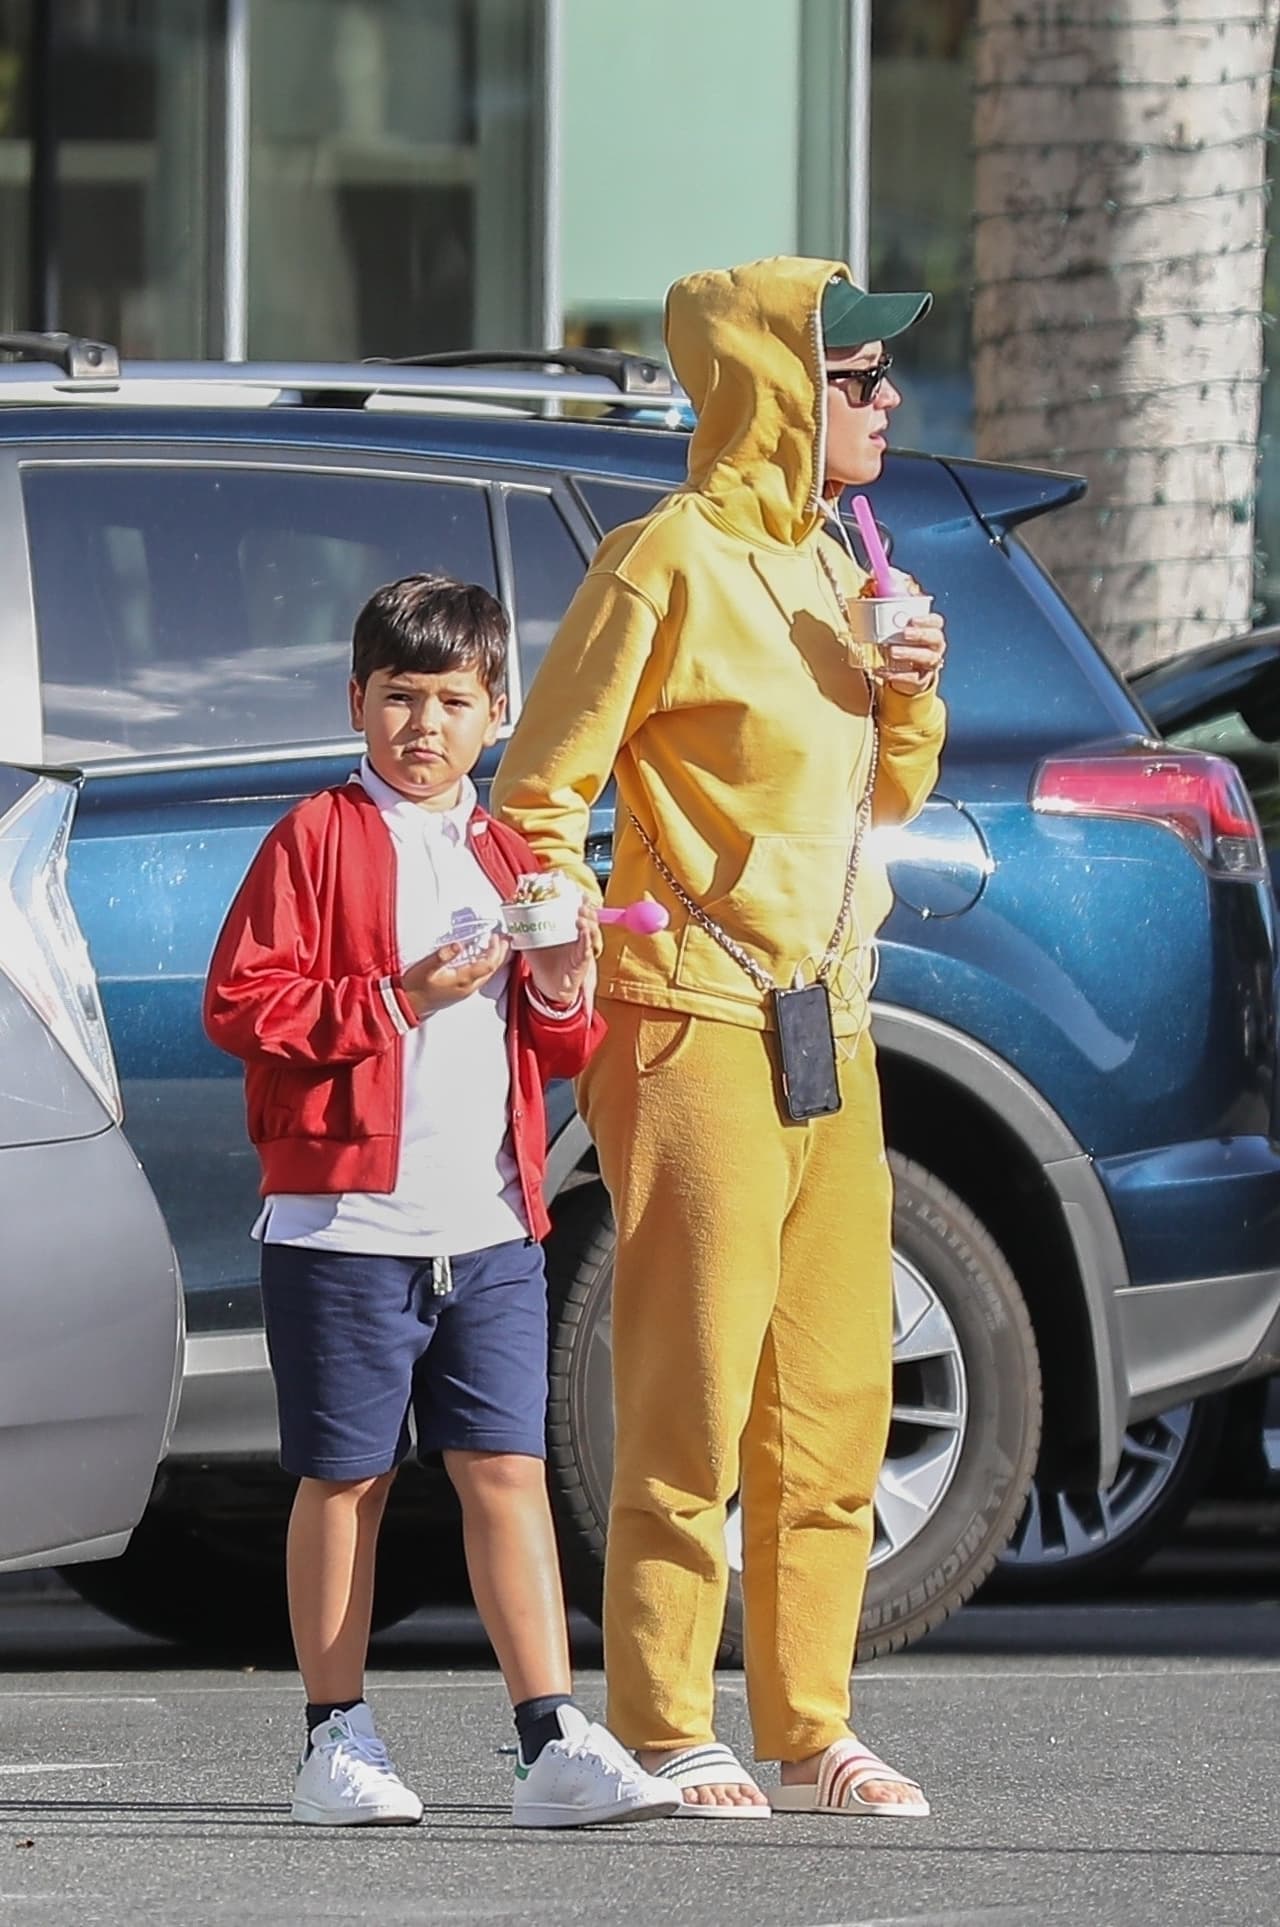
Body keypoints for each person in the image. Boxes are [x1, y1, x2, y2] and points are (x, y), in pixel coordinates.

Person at [492, 258, 947, 1818]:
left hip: (835, 1015)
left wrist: (908, 693)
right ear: (774, 384)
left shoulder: (835, 564)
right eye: (861, 374)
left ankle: (812, 1721)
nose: (888, 401)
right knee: (689, 1385)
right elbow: (538, 784)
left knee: (834, 1395)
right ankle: (668, 1716)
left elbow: (879, 800)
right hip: (691, 1011)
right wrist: (565, 928)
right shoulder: (662, 559)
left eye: (887, 378)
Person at [203, 573, 682, 1832]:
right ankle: (333, 1737)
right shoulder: (316, 835)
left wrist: (569, 978)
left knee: (507, 1472)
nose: (424, 725)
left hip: (490, 1226)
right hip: (345, 1227)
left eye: (452, 700)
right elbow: (241, 1005)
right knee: (346, 1478)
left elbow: (557, 1046)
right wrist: (396, 997)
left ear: (496, 711)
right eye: (399, 698)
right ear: (355, 701)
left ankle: (548, 1739)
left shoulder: (508, 851)